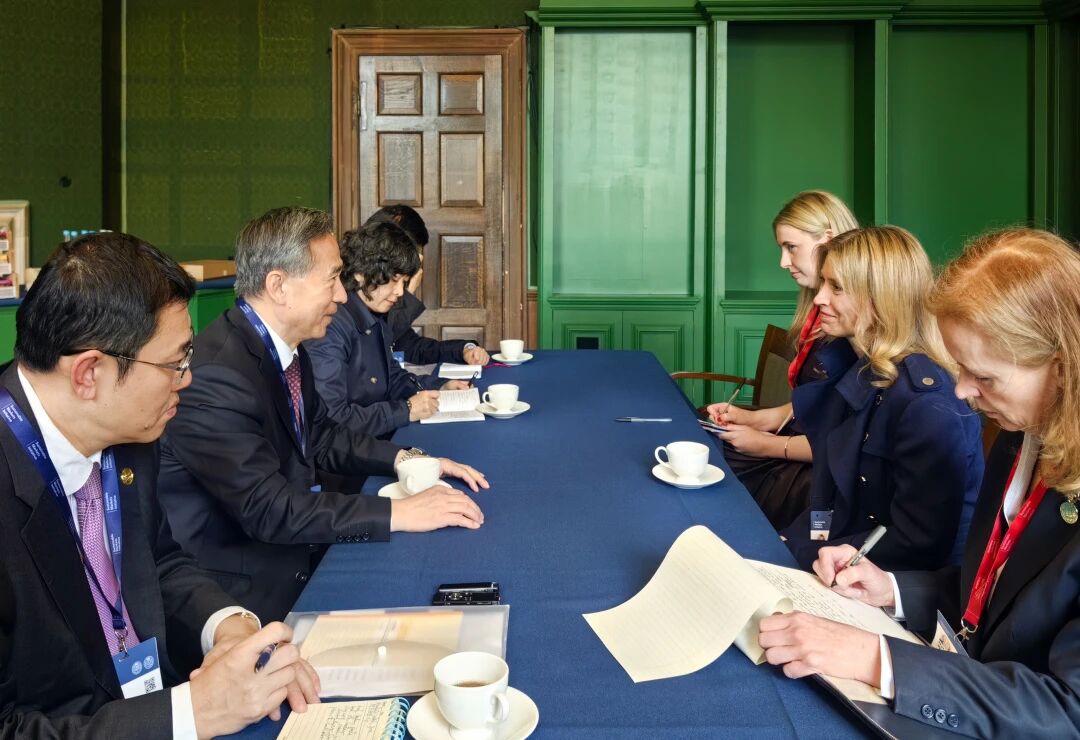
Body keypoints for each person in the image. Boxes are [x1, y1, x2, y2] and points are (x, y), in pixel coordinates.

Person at [759, 228, 1080, 736]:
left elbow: (1067, 710)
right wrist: (890, 589)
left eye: (984, 377)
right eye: (961, 369)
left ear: (1062, 369)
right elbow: (993, 600)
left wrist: (876, 658)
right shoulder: (1022, 439)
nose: (962, 391)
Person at [0, 233, 318, 739]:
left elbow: (158, 561)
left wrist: (226, 626)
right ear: (89, 373)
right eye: (174, 363)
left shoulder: (129, 429)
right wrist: (192, 714)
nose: (186, 379)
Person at [158, 207, 489, 622]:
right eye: (331, 279)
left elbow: (324, 436)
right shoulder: (218, 375)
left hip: (295, 555)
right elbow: (271, 509)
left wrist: (408, 458)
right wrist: (400, 513)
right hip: (243, 598)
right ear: (278, 286)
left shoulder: (284, 349)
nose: (341, 295)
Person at [778, 226, 983, 572]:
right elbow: (827, 497)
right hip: (843, 555)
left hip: (898, 583)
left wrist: (802, 551)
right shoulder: (856, 369)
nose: (819, 298)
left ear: (882, 298)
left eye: (837, 288)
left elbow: (918, 545)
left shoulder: (926, 405)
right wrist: (797, 541)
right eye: (824, 283)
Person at [707, 191, 859, 530]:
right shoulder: (817, 316)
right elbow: (812, 405)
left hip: (816, 476)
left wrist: (767, 444)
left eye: (791, 247)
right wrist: (755, 419)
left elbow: (845, 443)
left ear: (828, 241)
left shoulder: (852, 333)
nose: (783, 262)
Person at [305, 223, 473, 436]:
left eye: (404, 282)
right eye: (394, 280)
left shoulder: (375, 317)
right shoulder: (330, 327)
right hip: (353, 450)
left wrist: (439, 387)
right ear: (360, 273)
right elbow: (333, 419)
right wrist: (406, 410)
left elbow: (392, 378)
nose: (400, 292)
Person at [366, 205, 490, 366]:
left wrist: (464, 349)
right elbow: (379, 344)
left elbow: (412, 347)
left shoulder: (383, 299)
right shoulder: (347, 298)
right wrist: (407, 292)